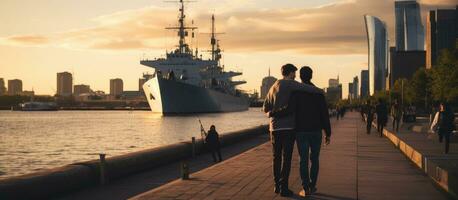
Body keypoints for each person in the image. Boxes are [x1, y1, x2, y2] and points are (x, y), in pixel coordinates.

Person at [263, 63, 323, 197]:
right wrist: (321, 91)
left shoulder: (273, 86)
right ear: (290, 73)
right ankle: (284, 187)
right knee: (287, 159)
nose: (295, 76)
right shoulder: (291, 84)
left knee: (276, 158)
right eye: (294, 73)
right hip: (288, 128)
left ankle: (276, 186)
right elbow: (308, 88)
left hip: (274, 128)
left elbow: (264, 108)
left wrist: (271, 114)